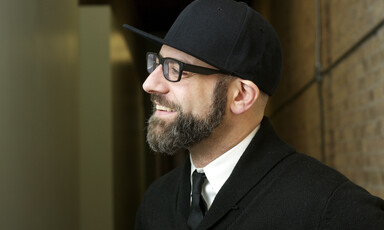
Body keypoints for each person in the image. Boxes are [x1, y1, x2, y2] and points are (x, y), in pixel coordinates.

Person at [123, 0, 384, 229]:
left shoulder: (333, 209)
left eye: (175, 69)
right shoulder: (156, 202)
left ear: (241, 96)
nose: (149, 84)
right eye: (157, 63)